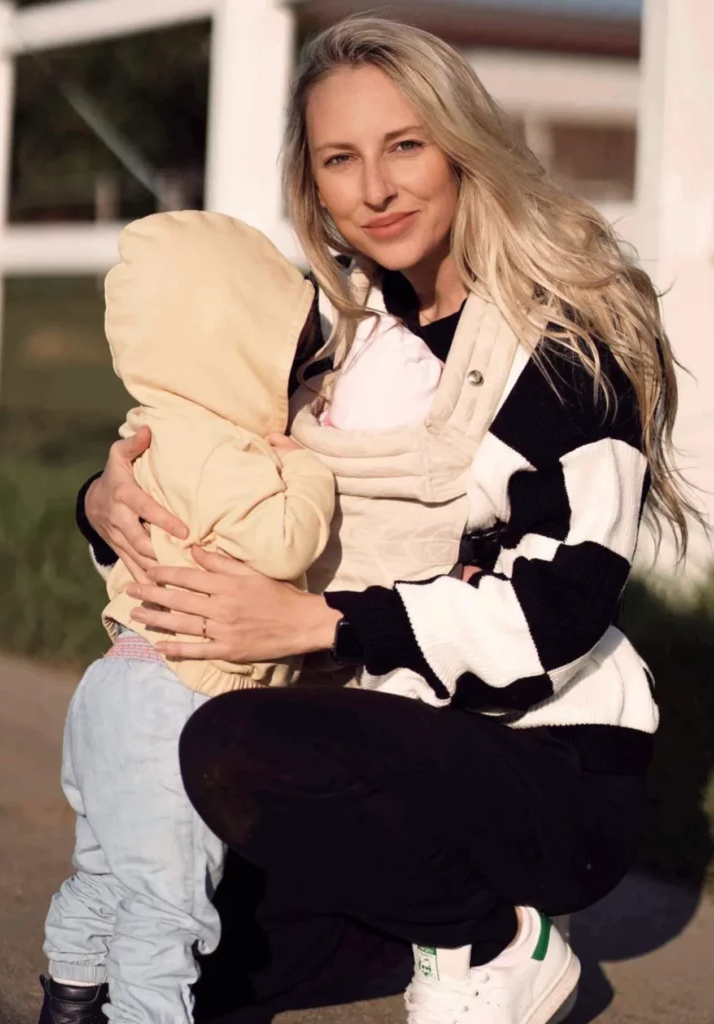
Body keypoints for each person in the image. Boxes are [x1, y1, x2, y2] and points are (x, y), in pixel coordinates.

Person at [76, 16, 700, 1024]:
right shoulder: (334, 344)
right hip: (376, 741)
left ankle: (494, 934)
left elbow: (564, 602)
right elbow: (223, 477)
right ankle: (415, 919)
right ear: (312, 183)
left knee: (230, 745)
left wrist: (324, 625)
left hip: (546, 765)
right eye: (340, 159)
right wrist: (103, 502)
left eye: (405, 145)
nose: (376, 188)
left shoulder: (558, 351)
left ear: (462, 146)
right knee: (169, 965)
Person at [39, 211, 335, 1024]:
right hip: (177, 702)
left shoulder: (149, 431)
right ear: (236, 349)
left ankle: (69, 996)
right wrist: (307, 469)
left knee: (106, 873)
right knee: (168, 909)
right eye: (288, 354)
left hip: (114, 688)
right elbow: (282, 541)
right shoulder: (228, 450)